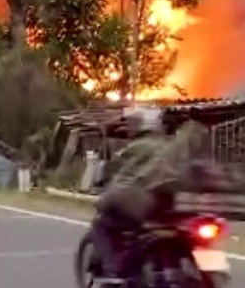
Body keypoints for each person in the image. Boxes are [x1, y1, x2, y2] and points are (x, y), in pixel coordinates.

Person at [90, 113, 212, 283]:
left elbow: (120, 173)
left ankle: (116, 270)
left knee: (104, 223)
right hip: (178, 207)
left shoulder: (137, 147)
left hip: (149, 203)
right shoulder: (172, 148)